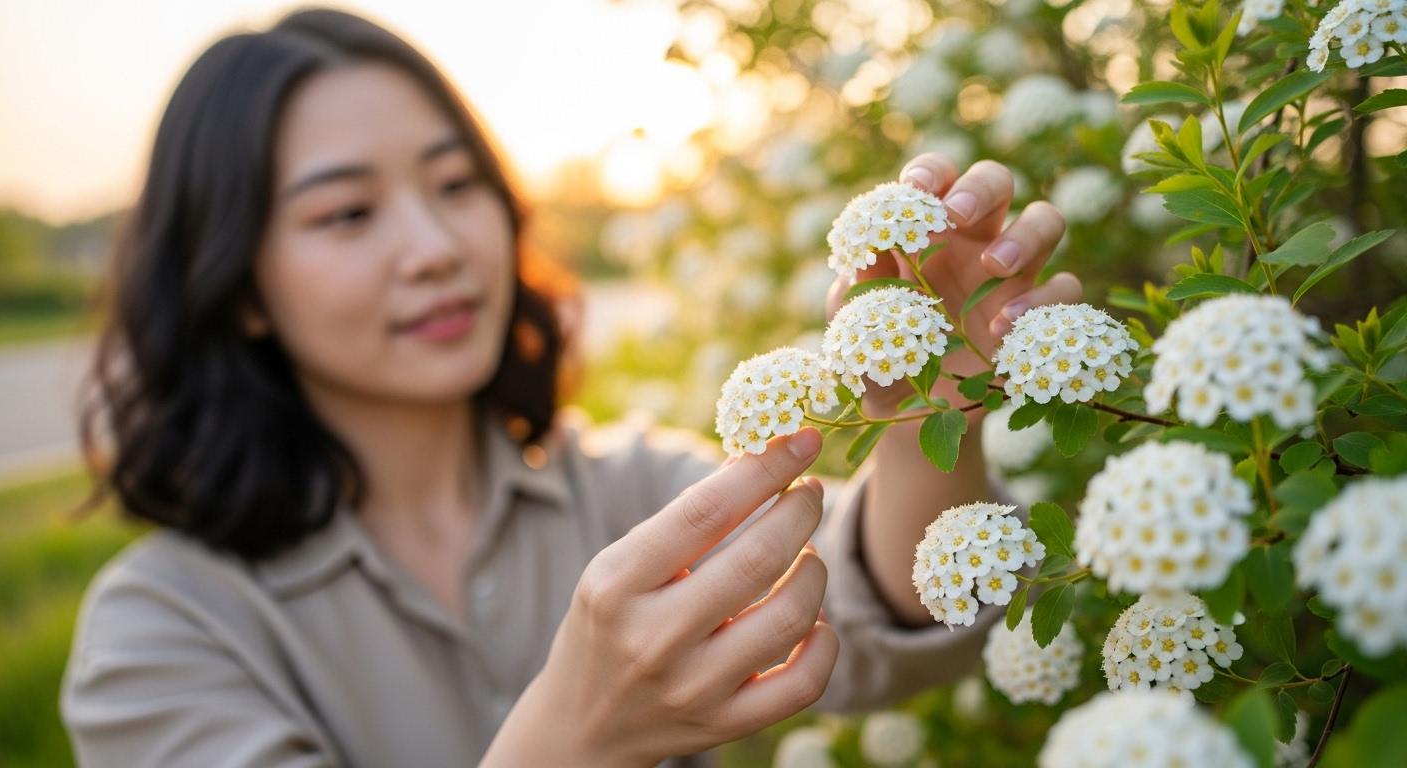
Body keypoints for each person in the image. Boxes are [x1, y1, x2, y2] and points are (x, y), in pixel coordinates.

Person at [60, 8, 1080, 767]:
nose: (436, 247)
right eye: (347, 214)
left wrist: (925, 417)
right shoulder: (161, 631)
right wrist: (572, 739)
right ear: (237, 283)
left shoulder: (631, 492)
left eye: (456, 185)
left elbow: (886, 621)